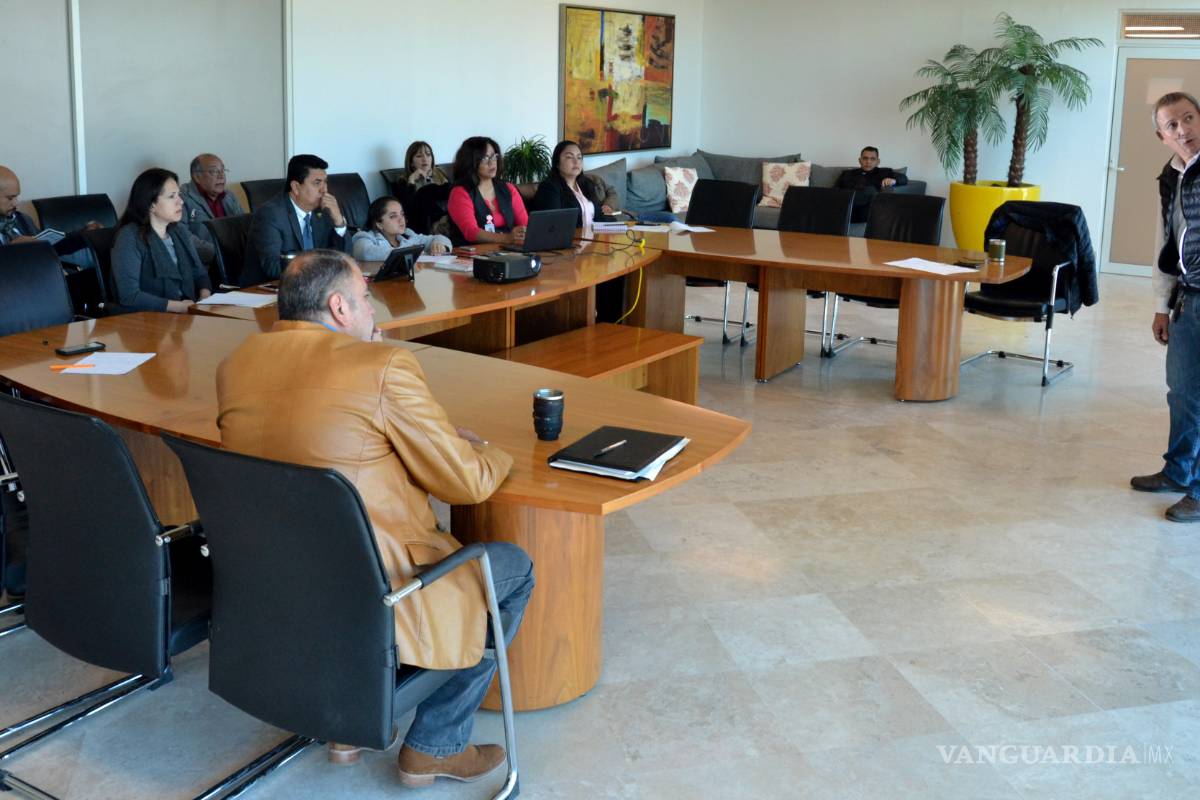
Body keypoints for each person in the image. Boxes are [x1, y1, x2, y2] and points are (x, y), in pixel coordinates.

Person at [216, 249, 533, 786]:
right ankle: (435, 744)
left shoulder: (235, 365)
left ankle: (346, 722)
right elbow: (468, 483)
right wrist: (495, 450)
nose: (373, 314)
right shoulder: (381, 366)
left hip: (277, 585)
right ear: (339, 307)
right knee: (514, 570)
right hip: (379, 591)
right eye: (365, 300)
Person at [1132, 90, 1200, 522]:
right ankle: (1177, 471)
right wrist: (1162, 303)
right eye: (1172, 125)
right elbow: (1166, 243)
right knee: (1183, 394)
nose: (1183, 130)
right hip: (1188, 300)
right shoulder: (1171, 177)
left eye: (1189, 118)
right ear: (1162, 136)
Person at [111, 168, 212, 313]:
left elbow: (200, 274)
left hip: (186, 318)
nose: (181, 202)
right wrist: (180, 307)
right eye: (172, 196)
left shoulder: (179, 232)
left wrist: (204, 297)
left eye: (179, 195)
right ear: (151, 204)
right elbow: (129, 296)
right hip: (148, 322)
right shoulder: (129, 237)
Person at [242, 154, 348, 286]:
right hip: (267, 293)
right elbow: (273, 267)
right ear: (296, 187)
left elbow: (344, 258)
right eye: (317, 183)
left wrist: (339, 223)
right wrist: (318, 267)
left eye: (325, 182)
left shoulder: (323, 211)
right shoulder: (270, 215)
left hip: (309, 288)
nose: (324, 190)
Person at [0, 165, 100, 261]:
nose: (16, 203)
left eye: (16, 197)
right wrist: (11, 251)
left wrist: (83, 235)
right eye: (10, 198)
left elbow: (52, 247)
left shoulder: (22, 220)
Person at [446, 136, 528, 245]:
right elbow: (471, 232)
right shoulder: (460, 192)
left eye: (494, 156)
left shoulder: (508, 188)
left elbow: (525, 224)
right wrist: (507, 238)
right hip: (472, 254)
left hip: (508, 251)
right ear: (471, 162)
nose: (492, 162)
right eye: (485, 158)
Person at [531, 140, 610, 227]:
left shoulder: (586, 184)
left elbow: (598, 216)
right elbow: (554, 224)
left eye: (579, 157)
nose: (576, 162)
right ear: (557, 163)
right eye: (569, 157)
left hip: (594, 237)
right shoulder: (549, 188)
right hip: (571, 239)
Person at [351, 196, 451, 261]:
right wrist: (410, 253)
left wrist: (440, 245)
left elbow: (437, 238)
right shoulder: (365, 237)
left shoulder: (408, 234)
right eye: (393, 216)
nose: (401, 220)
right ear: (379, 224)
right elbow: (365, 252)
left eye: (402, 214)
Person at [835, 146, 908, 223]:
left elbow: (904, 178)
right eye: (865, 158)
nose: (868, 162)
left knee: (871, 190)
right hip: (844, 207)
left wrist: (894, 180)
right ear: (860, 160)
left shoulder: (885, 172)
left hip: (865, 211)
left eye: (872, 159)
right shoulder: (847, 173)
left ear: (878, 161)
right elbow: (834, 190)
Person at [181, 153, 244, 226]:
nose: (221, 176)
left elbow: (244, 225)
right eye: (214, 171)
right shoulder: (182, 198)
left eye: (222, 170)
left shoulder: (229, 196)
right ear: (197, 177)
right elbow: (183, 234)